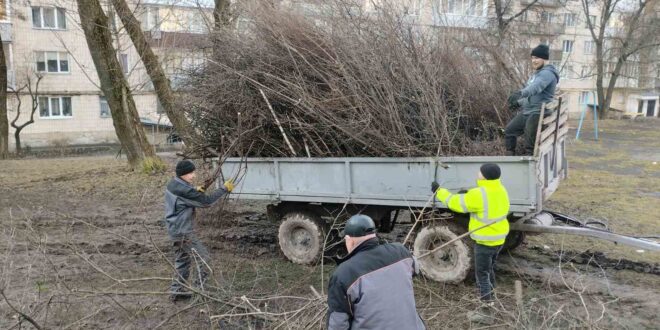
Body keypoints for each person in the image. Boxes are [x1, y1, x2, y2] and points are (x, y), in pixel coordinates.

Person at [431, 163, 510, 325]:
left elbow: (454, 203)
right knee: (488, 270)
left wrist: (439, 191)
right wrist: (468, 194)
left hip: (484, 241)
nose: (477, 173)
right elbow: (486, 202)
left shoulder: (479, 194)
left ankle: (486, 312)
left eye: (480, 172)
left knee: (481, 275)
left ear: (485, 176)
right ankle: (492, 300)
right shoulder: (501, 189)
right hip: (499, 239)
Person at [327, 215, 426, 330]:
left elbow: (337, 325)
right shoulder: (401, 252)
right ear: (373, 235)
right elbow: (416, 269)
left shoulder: (343, 274)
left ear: (349, 240)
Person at [164, 159, 234, 301]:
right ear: (182, 174)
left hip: (173, 230)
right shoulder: (184, 190)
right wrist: (224, 189)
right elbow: (206, 202)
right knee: (205, 259)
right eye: (190, 173)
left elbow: (185, 195)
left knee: (182, 261)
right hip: (183, 232)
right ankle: (199, 292)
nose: (193, 175)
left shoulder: (173, 184)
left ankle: (176, 292)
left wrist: (195, 190)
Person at [505, 44, 559, 155]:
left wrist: (520, 93)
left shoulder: (547, 74)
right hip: (529, 111)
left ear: (545, 59)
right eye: (533, 58)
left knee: (529, 140)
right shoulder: (537, 74)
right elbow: (532, 97)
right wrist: (518, 102)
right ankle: (510, 160)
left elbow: (535, 88)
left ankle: (530, 164)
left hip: (539, 111)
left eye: (537, 58)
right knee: (510, 131)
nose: (534, 61)